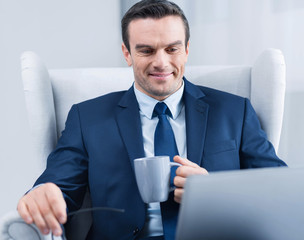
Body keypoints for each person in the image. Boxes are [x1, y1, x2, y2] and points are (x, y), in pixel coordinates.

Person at [17, 0, 287, 239]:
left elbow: (281, 191)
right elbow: (56, 186)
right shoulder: (87, 117)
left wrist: (215, 194)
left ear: (187, 50)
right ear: (127, 53)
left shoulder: (234, 111)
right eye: (146, 50)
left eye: (172, 49)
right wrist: (41, 193)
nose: (161, 62)